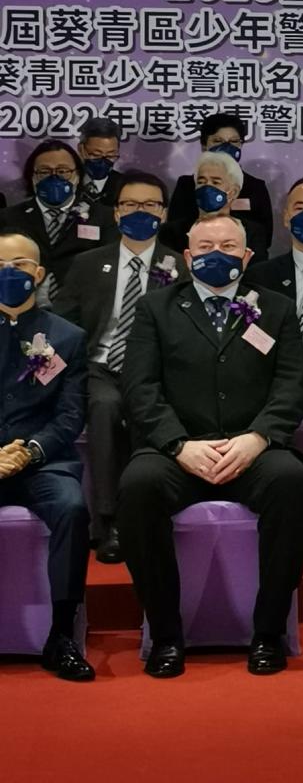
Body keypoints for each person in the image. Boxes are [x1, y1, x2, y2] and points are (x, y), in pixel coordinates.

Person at [117, 214, 303, 679]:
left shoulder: (278, 308)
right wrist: (177, 444)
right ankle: (166, 635)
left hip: (252, 448)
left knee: (291, 481)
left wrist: (257, 438)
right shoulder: (155, 308)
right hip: (177, 451)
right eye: (205, 247)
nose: (216, 254)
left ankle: (268, 633)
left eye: (228, 246)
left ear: (247, 256)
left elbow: (291, 386)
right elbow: (140, 387)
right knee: (137, 486)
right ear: (187, 257)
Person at [54, 170, 187, 563]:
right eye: (130, 204)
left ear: (163, 213)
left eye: (149, 205)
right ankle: (109, 521)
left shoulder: (180, 266)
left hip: (156, 370)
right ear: (116, 212)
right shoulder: (88, 263)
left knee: (152, 410)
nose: (139, 212)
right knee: (105, 406)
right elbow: (64, 325)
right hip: (101, 367)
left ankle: (150, 519)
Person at [0, 231, 93, 680]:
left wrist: (29, 452)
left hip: (42, 461)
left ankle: (61, 635)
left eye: (19, 265)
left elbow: (70, 415)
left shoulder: (67, 337)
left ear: (38, 274)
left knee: (72, 508)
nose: (9, 273)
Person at [244, 176, 303, 417]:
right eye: (299, 208)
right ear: (286, 218)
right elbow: (252, 335)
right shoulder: (259, 276)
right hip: (277, 389)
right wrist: (295, 370)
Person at [0, 139, 117, 302]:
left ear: (77, 175)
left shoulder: (104, 217)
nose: (54, 177)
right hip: (24, 305)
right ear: (32, 177)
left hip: (83, 306)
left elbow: (109, 270)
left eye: (63, 171)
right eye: (44, 171)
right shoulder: (7, 218)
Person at [166, 113, 274, 249]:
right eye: (218, 141)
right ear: (204, 145)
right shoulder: (187, 185)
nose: (227, 147)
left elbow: (265, 236)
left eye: (234, 141)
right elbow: (174, 232)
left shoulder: (255, 186)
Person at [160, 150, 268, 264]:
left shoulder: (251, 233)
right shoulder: (171, 232)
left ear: (233, 192)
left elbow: (257, 271)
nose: (206, 187)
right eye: (201, 182)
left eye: (215, 182)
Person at [77, 116, 125, 209]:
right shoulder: (68, 181)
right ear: (81, 149)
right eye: (96, 155)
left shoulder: (125, 185)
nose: (103, 162)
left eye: (110, 155)